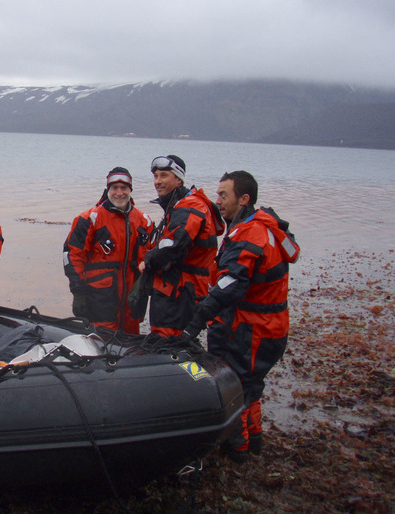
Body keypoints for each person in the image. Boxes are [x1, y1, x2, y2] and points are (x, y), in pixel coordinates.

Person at [181, 170, 300, 463]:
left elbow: (230, 284)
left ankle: (237, 453)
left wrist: (195, 323)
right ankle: (255, 441)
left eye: (224, 195)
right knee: (250, 386)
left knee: (235, 388)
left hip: (253, 329)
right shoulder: (266, 227)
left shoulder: (250, 233)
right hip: (270, 326)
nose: (217, 201)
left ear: (243, 198)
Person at [137, 155, 225, 337]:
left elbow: (172, 246)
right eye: (155, 176)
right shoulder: (178, 205)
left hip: (180, 294)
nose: (158, 182)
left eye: (164, 176)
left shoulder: (190, 206)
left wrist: (148, 260)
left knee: (169, 343)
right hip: (176, 290)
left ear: (178, 179)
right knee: (172, 340)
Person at [63, 167, 153, 334]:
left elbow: (150, 257)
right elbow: (73, 255)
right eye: (115, 188)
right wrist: (78, 291)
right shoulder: (89, 219)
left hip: (133, 299)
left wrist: (144, 283)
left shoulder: (144, 221)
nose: (119, 193)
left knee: (130, 344)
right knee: (100, 343)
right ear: (107, 190)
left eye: (124, 188)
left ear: (130, 190)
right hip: (100, 299)